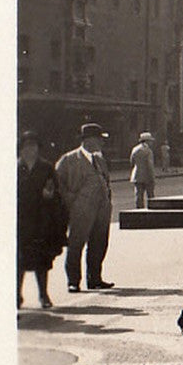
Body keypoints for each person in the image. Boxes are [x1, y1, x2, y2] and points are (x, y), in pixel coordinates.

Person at [53, 123, 115, 293]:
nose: (102, 143)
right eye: (100, 139)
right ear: (89, 140)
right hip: (80, 210)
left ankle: (95, 278)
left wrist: (108, 200)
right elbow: (57, 183)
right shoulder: (69, 159)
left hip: (102, 210)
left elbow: (106, 180)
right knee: (76, 244)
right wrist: (71, 200)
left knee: (99, 244)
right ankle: (73, 281)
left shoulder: (100, 159)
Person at [18, 131, 66, 309]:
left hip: (40, 220)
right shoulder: (15, 168)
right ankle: (16, 295)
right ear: (21, 149)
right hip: (21, 221)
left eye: (34, 146)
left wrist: (50, 196)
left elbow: (56, 193)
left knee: (41, 261)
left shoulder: (46, 168)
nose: (30, 150)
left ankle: (43, 295)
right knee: (19, 261)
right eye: (27, 147)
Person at [129, 132, 156, 209]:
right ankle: (152, 211)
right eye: (150, 141)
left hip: (136, 175)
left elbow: (132, 161)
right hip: (147, 176)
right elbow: (150, 165)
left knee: (138, 195)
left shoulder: (135, 149)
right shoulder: (148, 151)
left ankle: (139, 210)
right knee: (150, 195)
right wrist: (152, 177)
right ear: (147, 141)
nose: (151, 143)